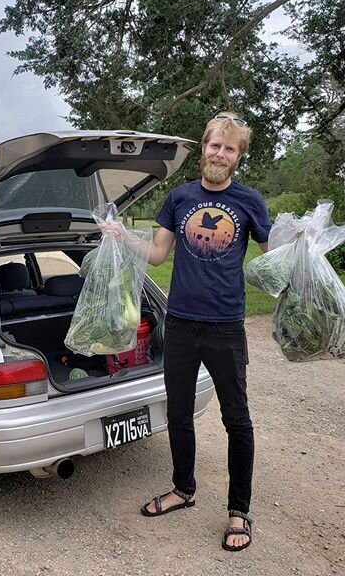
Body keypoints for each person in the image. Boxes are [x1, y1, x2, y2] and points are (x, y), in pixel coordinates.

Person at [110, 112, 271, 551]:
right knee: (178, 414)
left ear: (238, 156)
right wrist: (121, 236)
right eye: (214, 145)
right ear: (204, 147)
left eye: (229, 148)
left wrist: (302, 242)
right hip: (179, 323)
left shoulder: (249, 201)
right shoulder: (180, 197)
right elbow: (158, 254)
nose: (220, 153)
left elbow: (271, 255)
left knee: (237, 420)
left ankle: (239, 510)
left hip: (225, 328)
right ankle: (184, 489)